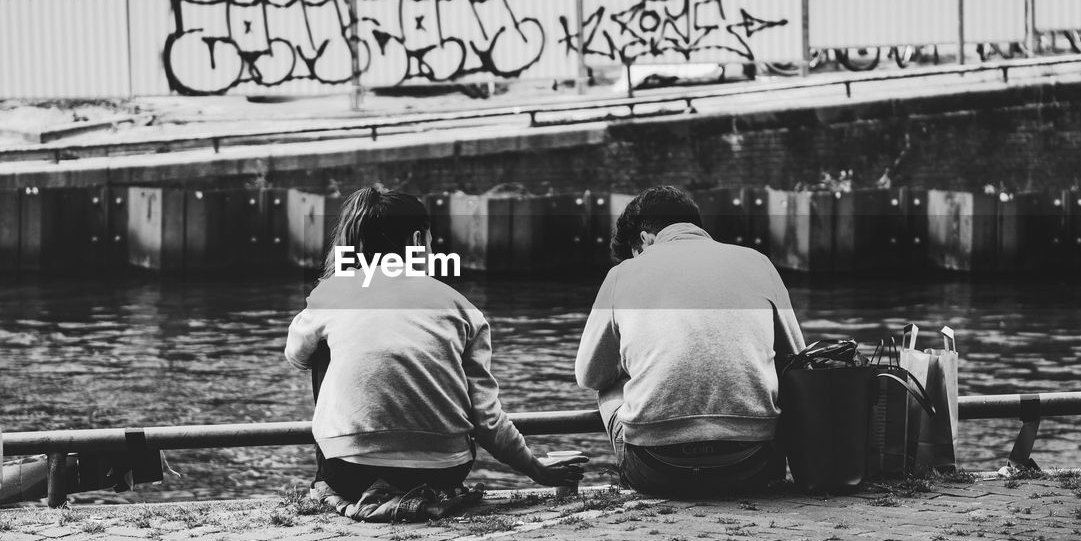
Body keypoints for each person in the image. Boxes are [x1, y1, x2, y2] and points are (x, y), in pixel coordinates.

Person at [285, 187, 584, 504]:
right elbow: (487, 418)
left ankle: (347, 466)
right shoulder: (460, 306)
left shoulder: (331, 293)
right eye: (431, 242)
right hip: (442, 470)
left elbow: (296, 356)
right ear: (416, 241)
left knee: (321, 349)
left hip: (349, 472)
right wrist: (536, 469)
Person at [574, 186, 805, 497]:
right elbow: (798, 359)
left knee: (609, 384)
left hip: (657, 470)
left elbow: (589, 376)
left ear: (644, 240)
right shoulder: (757, 262)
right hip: (753, 467)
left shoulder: (622, 275)